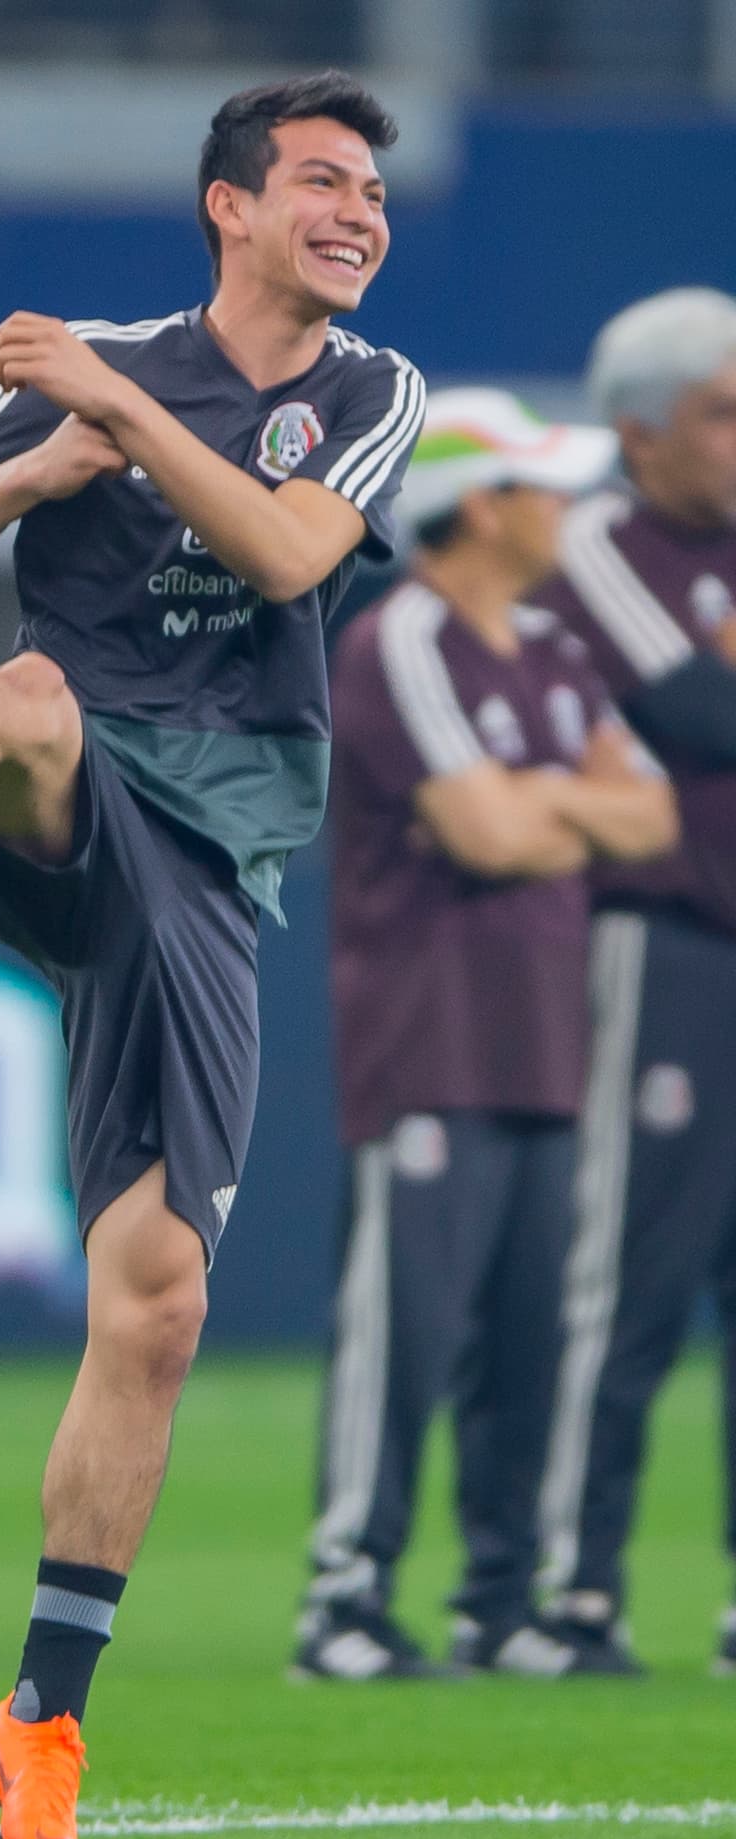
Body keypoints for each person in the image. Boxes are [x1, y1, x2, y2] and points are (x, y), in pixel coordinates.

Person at [0, 74, 425, 1839]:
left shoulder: (374, 396)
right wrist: (40, 465)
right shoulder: (89, 371)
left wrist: (118, 411)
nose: (358, 211)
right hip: (62, 800)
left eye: (370, 189)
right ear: (228, 207)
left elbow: (293, 553)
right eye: (319, 182)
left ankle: (39, 1718)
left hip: (211, 867)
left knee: (153, 1305)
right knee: (40, 702)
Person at [289, 388, 677, 1682]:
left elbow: (655, 819)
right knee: (403, 1333)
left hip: (549, 1048)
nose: (568, 511)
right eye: (545, 489)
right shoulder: (400, 638)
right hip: (429, 1046)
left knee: (527, 1340)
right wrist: (561, 805)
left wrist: (540, 798)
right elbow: (487, 834)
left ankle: (497, 1602)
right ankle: (344, 1595)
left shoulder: (557, 652)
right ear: (483, 507)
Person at [535, 288, 736, 1675]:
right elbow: (699, 716)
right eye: (722, 411)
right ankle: (575, 1590)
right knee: (632, 1279)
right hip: (662, 946)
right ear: (640, 430)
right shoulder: (601, 539)